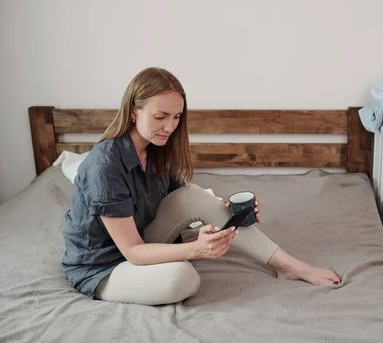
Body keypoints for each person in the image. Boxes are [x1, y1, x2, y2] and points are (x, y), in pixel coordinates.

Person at [62, 67, 341, 306]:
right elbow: (132, 250)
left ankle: (290, 266)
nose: (169, 127)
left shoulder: (158, 149)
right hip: (104, 266)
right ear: (134, 112)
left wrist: (227, 207)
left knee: (192, 194)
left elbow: (183, 201)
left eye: (176, 117)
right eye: (160, 117)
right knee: (183, 278)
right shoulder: (104, 167)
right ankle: (170, 262)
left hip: (144, 241)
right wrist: (194, 249)